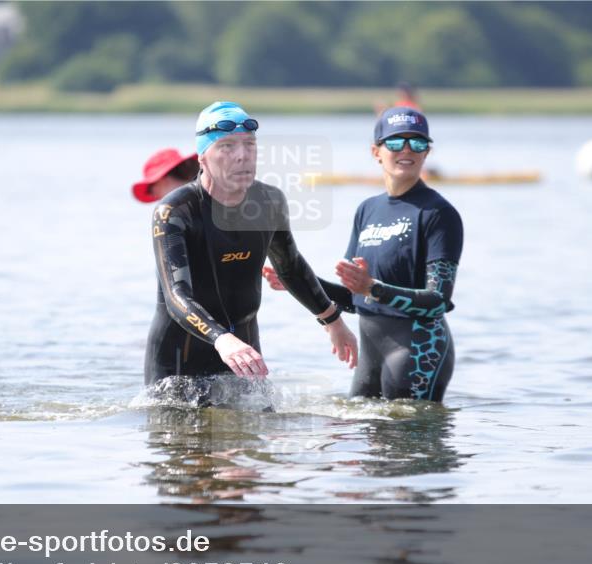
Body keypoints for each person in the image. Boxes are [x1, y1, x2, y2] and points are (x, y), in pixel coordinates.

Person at [145, 101, 358, 390]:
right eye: (228, 147)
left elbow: (290, 267)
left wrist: (332, 321)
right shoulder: (175, 211)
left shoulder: (269, 202)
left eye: (249, 145)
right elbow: (176, 296)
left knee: (256, 432)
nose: (242, 156)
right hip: (179, 361)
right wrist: (222, 338)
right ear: (203, 157)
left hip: (244, 355)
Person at [264, 107, 462, 402]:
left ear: (426, 152)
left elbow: (437, 301)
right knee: (359, 441)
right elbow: (354, 299)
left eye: (417, 143)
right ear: (376, 151)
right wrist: (297, 283)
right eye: (395, 143)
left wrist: (373, 288)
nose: (406, 150)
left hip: (418, 351)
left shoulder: (439, 214)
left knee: (409, 445)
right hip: (371, 355)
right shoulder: (367, 210)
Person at [132, 148, 200, 203]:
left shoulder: (179, 213)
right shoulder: (206, 195)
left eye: (150, 190)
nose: (153, 195)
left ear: (163, 179)